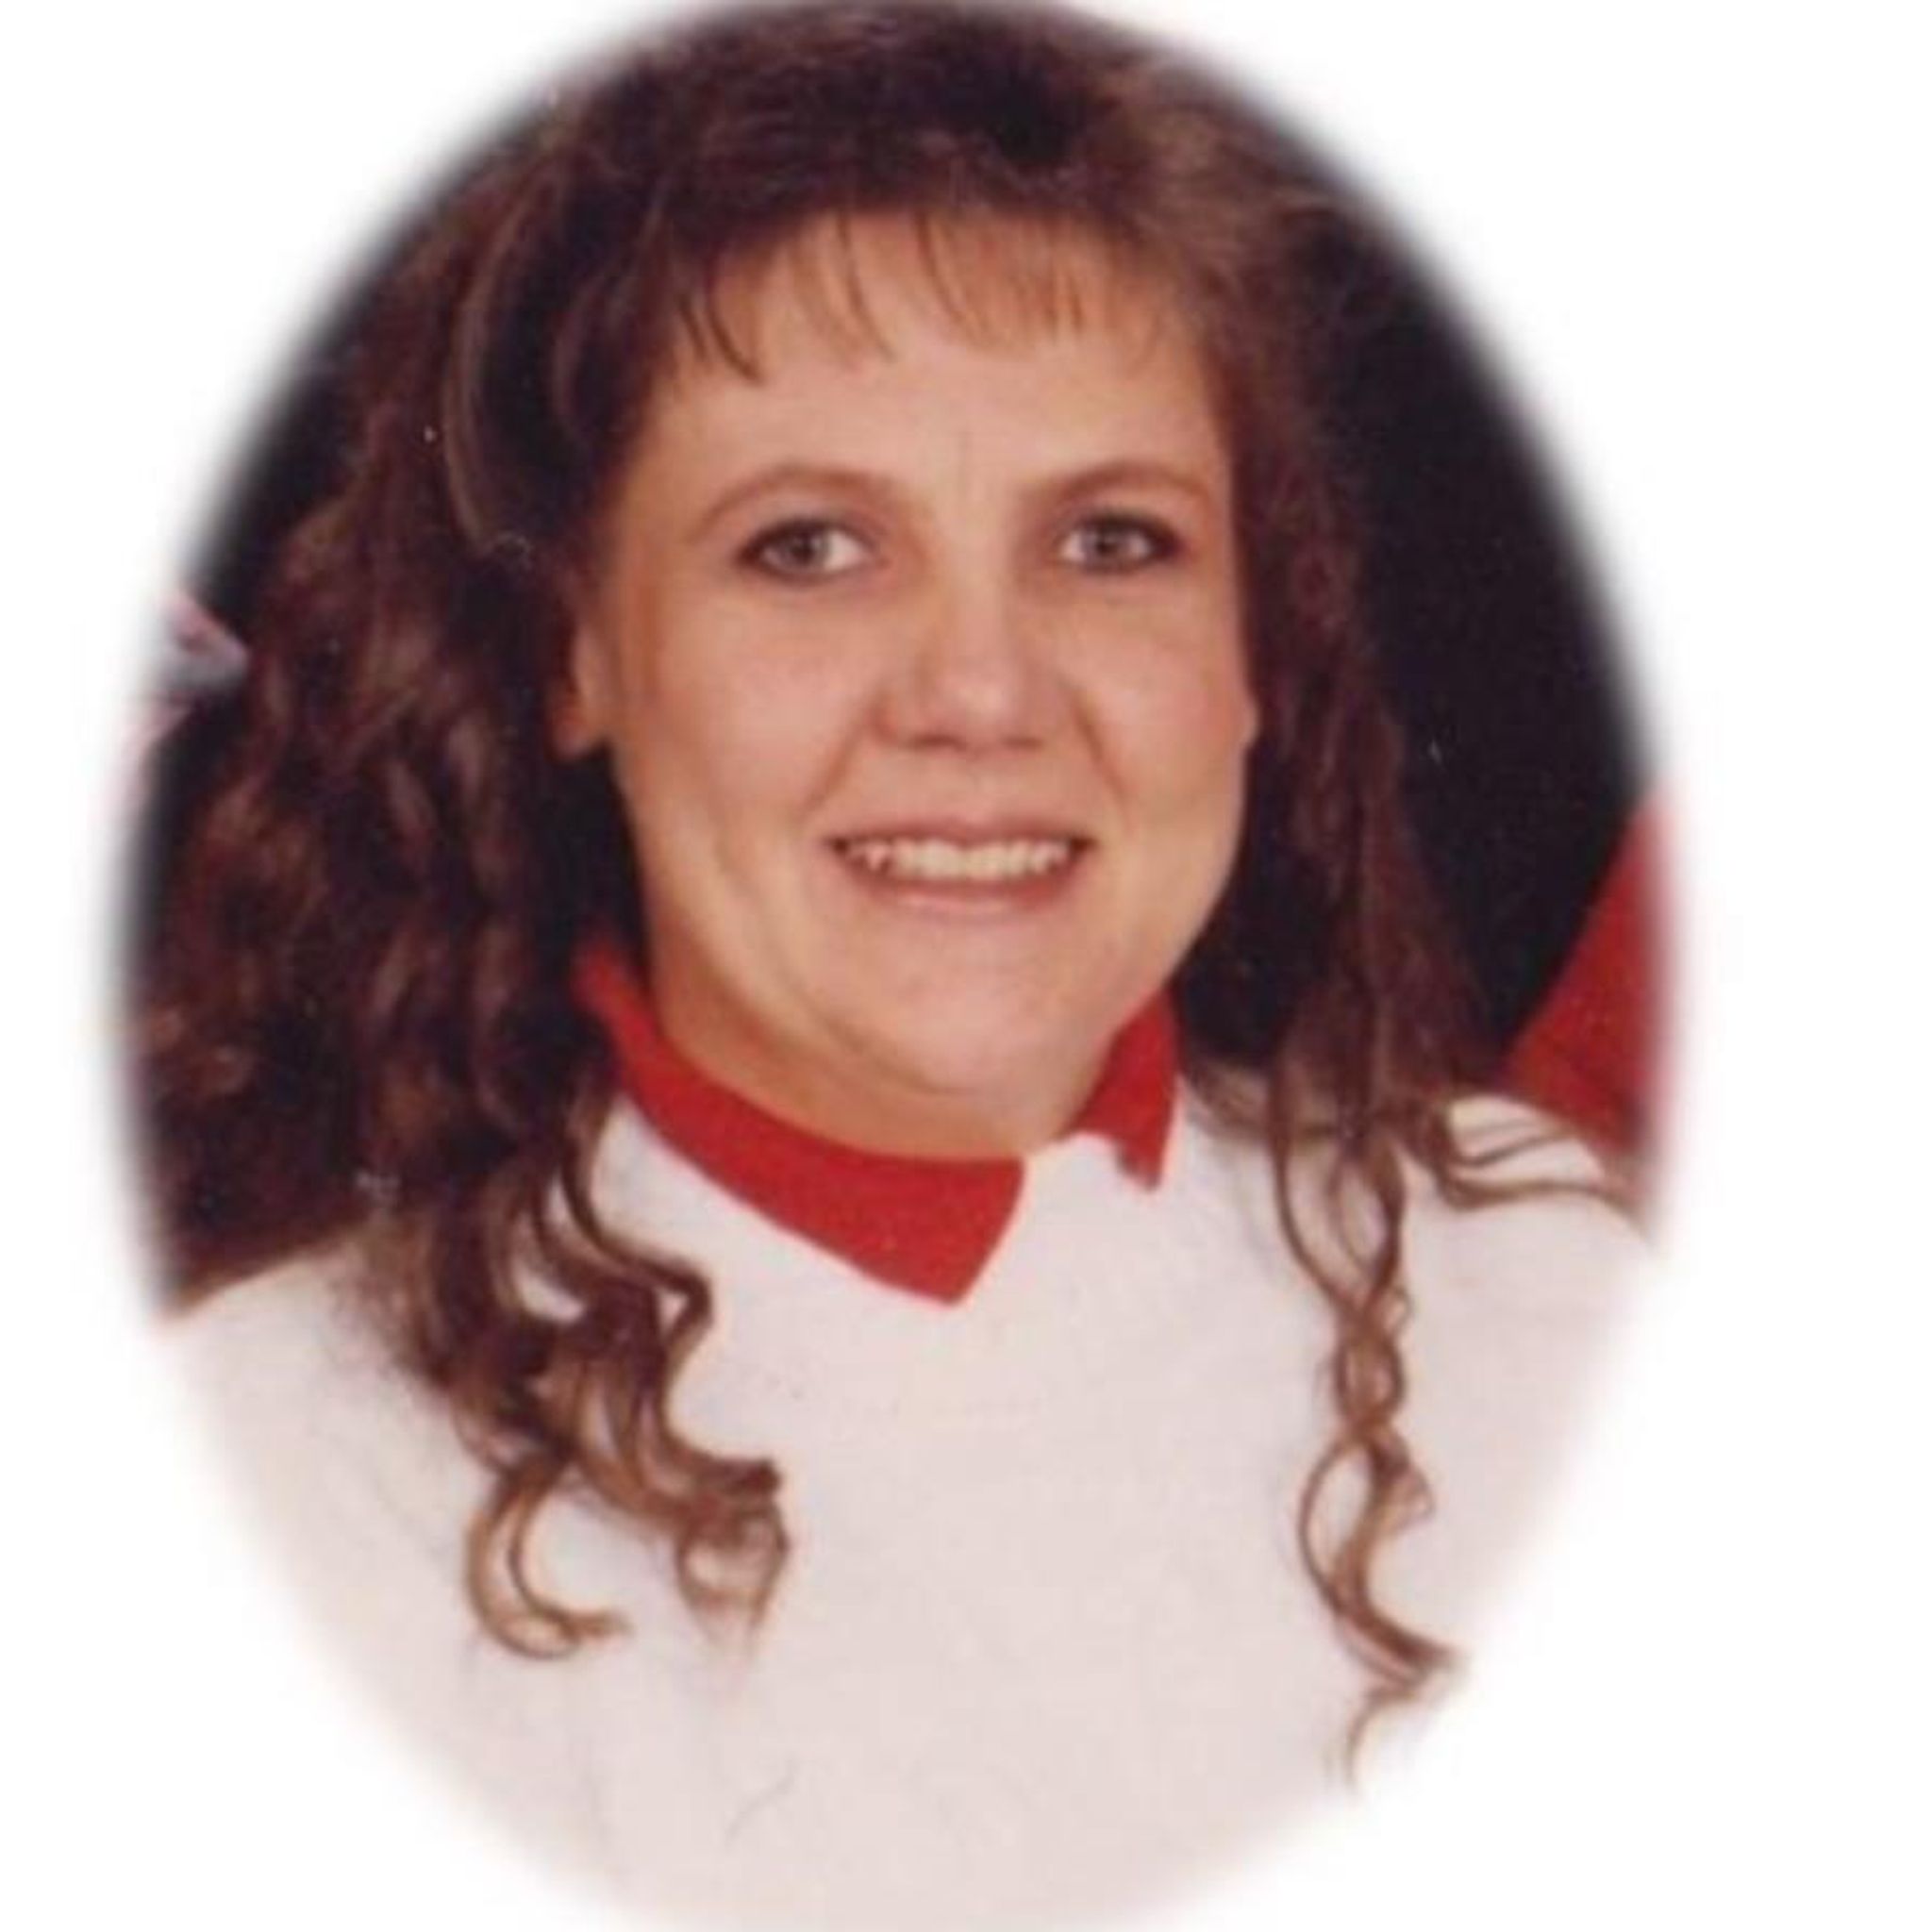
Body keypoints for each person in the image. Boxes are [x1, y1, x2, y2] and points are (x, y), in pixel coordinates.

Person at [136, 3, 1641, 1924]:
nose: (981, 691)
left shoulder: (1544, 1288)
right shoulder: (278, 1476)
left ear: (1257, 651)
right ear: (578, 654)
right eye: (809, 549)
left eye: (1111, 542)